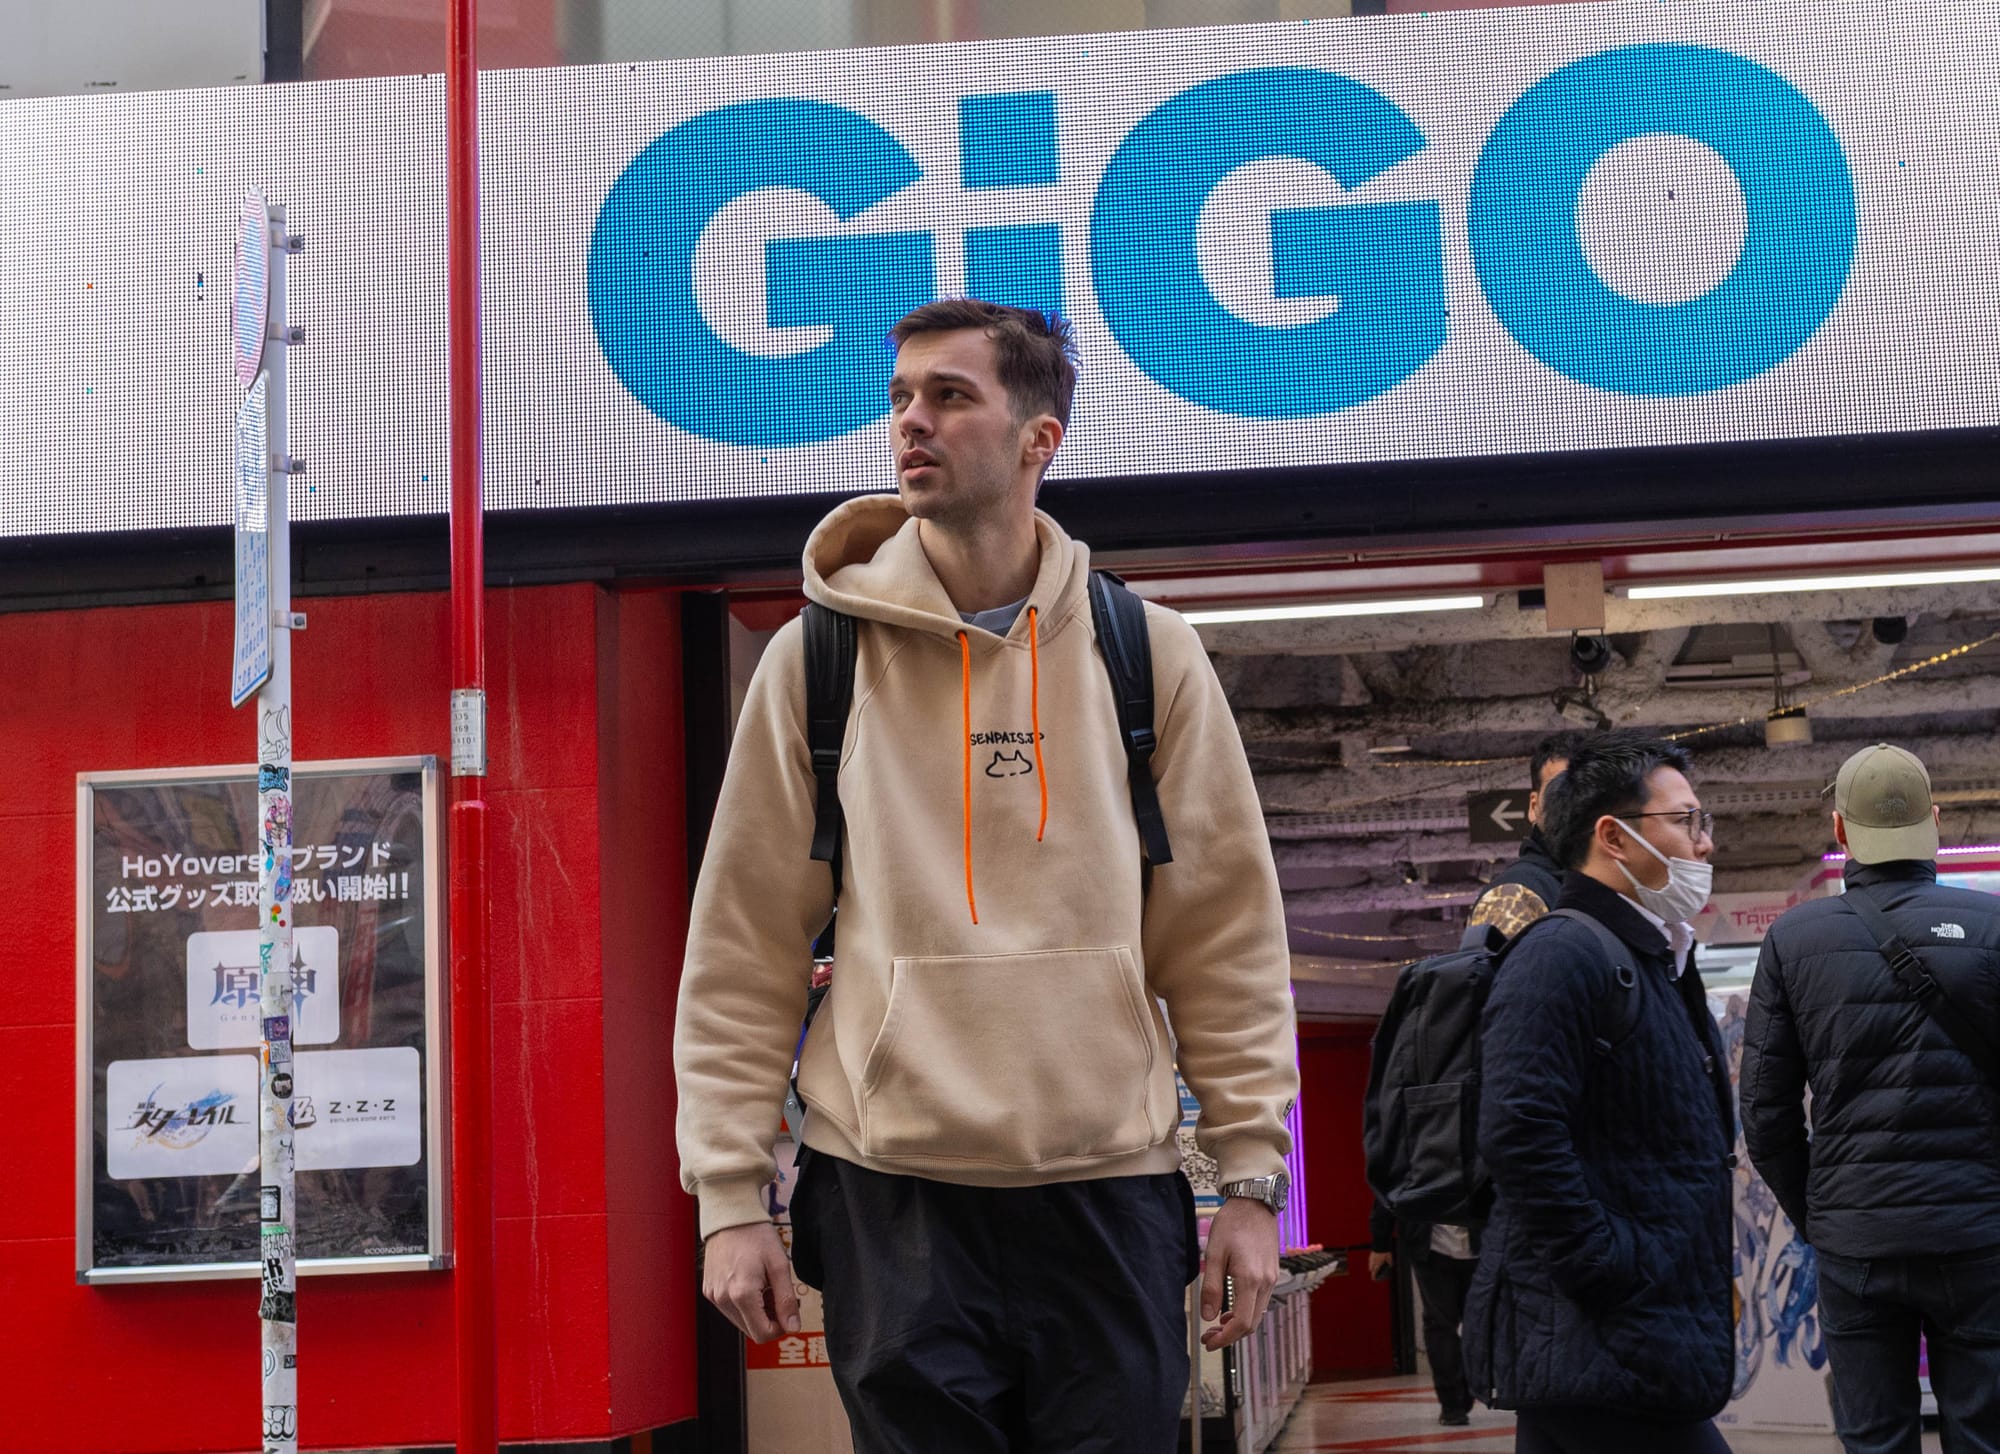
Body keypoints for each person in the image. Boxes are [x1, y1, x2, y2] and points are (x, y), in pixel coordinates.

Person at [672, 299, 1299, 1452]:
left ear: (1036, 437)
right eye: (901, 397)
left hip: (1108, 1184)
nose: (911, 421)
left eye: (949, 396)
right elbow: (742, 946)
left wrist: (1248, 1184)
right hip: (890, 1193)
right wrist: (727, 1196)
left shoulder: (1144, 653)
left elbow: (1222, 936)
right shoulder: (815, 659)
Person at [1462, 729, 1737, 1453]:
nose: (1704, 844)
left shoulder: (1652, 956)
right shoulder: (1563, 954)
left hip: (1637, 1335)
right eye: (1684, 821)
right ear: (1613, 836)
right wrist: (1611, 1265)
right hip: (1602, 1336)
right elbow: (1519, 1131)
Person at [1740, 743, 2000, 1454]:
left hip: (1858, 1243)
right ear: (1936, 822)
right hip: (1978, 1238)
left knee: (1875, 1438)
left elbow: (1765, 1114)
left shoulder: (1793, 939)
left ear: (1841, 829)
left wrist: (1821, 1212)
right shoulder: (1993, 928)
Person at [1467, 729, 1587, 937]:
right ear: (1533, 807)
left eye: (1587, 791)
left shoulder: (1593, 888)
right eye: (1559, 791)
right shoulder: (1515, 896)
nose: (1573, 804)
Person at [1368, 1200, 1478, 1426]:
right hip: (1439, 1244)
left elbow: (1389, 1182)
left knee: (1446, 1325)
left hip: (1451, 1241)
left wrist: (1381, 1244)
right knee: (1456, 1324)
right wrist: (1380, 1242)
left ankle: (1455, 1403)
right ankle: (1457, 1399)